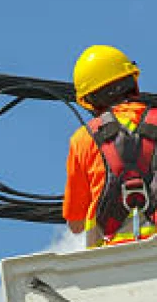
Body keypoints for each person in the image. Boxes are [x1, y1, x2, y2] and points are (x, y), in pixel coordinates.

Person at [63, 45, 157, 247]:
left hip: (110, 265)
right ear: (132, 82)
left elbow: (76, 224)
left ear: (90, 100)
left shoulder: (82, 139)